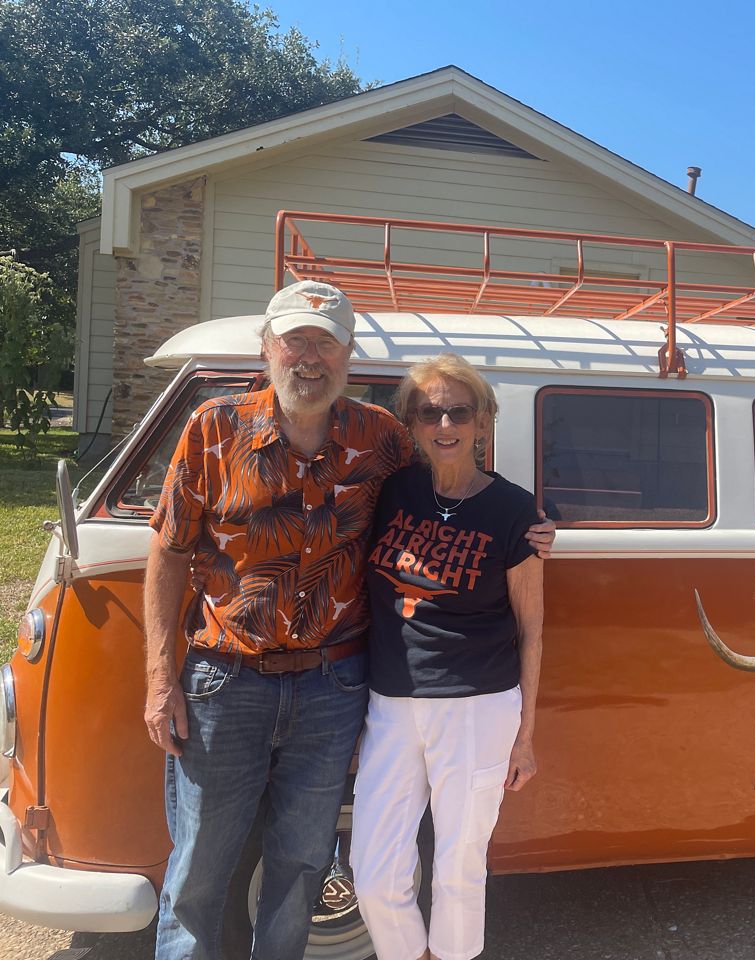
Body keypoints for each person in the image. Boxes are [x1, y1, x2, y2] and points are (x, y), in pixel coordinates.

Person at [142, 282, 553, 960]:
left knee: (303, 863)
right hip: (227, 680)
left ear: (348, 354)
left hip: (333, 685)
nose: (310, 356)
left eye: (325, 341)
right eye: (296, 339)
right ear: (267, 346)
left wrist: (532, 525)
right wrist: (161, 677)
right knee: (200, 865)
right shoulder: (213, 427)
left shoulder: (379, 437)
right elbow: (168, 548)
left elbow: (457, 477)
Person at [351, 354, 543, 960]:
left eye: (459, 410)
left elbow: (532, 629)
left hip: (479, 704)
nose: (444, 423)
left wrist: (526, 736)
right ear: (411, 421)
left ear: (484, 420)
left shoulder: (516, 511)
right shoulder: (394, 490)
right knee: (375, 871)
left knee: (461, 867)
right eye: (429, 411)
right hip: (393, 701)